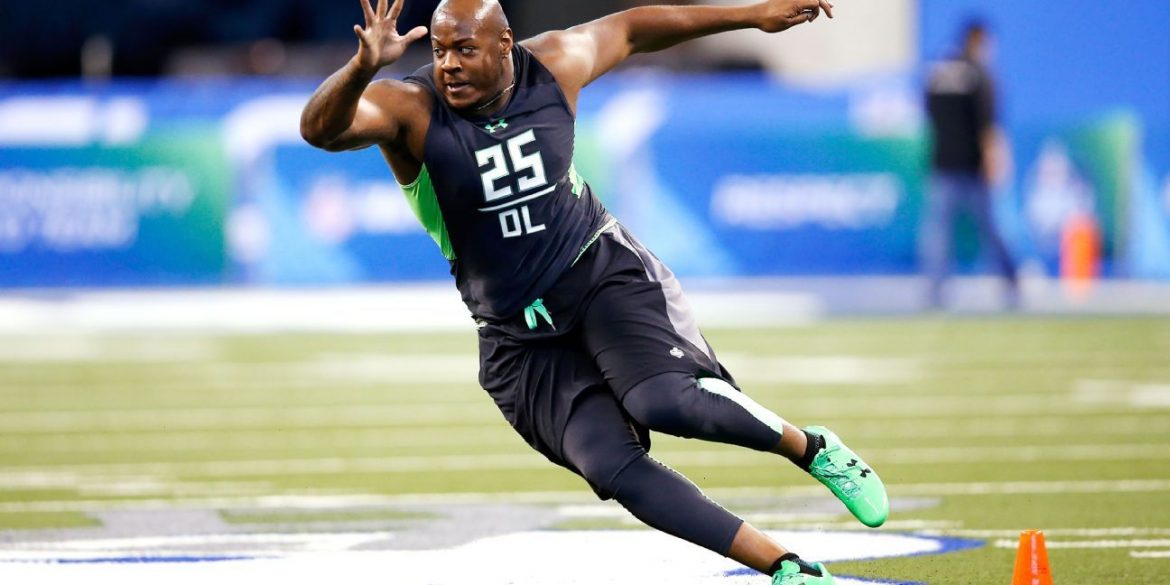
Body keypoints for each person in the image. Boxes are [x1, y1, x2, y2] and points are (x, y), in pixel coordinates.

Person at [301, 1, 888, 583]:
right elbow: (318, 130)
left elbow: (631, 29)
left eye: (465, 49)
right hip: (516, 335)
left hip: (599, 275)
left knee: (662, 401)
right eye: (440, 50)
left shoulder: (553, 64)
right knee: (615, 469)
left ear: (505, 45)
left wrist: (750, 15)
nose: (448, 64)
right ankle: (788, 569)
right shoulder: (411, 107)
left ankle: (812, 449)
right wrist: (361, 67)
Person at [923, 19, 1019, 310]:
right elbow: (987, 123)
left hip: (943, 160)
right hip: (972, 165)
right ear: (978, 41)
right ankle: (1011, 280)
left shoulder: (938, 72)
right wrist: (994, 158)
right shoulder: (979, 74)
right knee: (990, 227)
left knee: (939, 231)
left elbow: (928, 113)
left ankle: (936, 290)